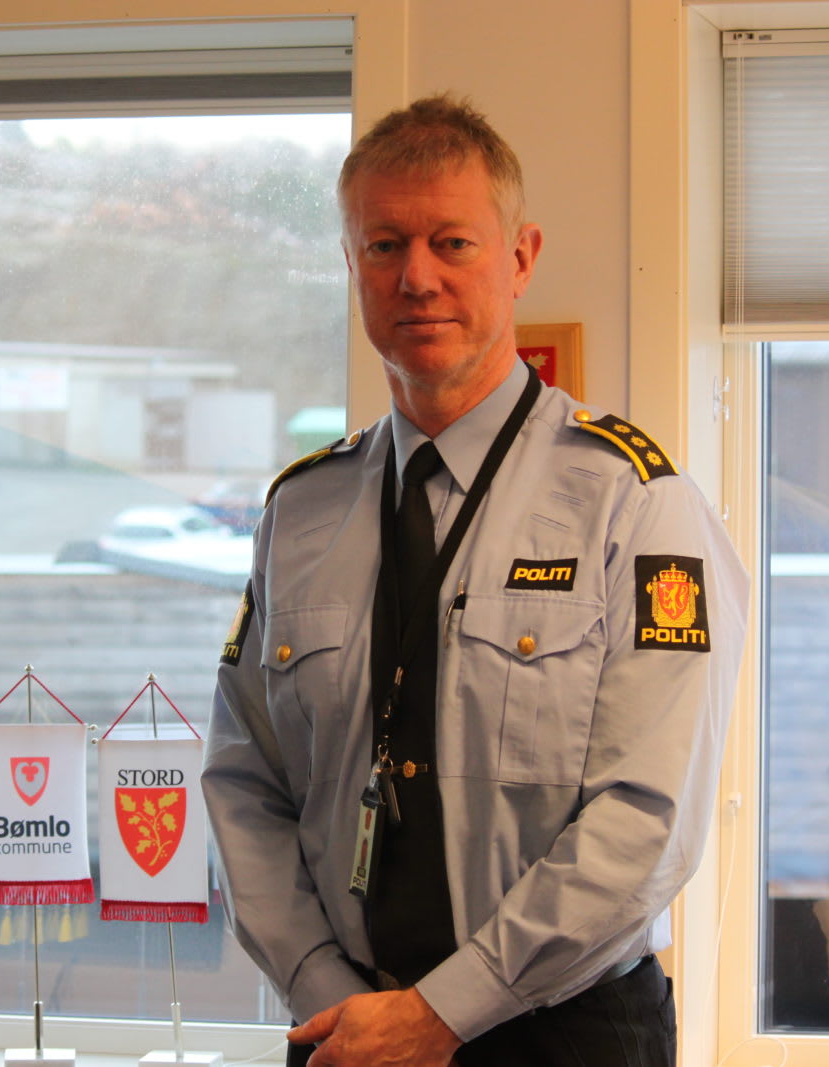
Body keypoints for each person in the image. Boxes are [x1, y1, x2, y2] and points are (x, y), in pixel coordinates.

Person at [201, 94, 746, 1067]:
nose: (417, 277)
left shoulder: (633, 502)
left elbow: (646, 816)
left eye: (452, 242)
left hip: (562, 1028)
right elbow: (246, 785)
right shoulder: (299, 512)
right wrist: (327, 990)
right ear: (352, 264)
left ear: (520, 257)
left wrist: (443, 1011)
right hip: (344, 1030)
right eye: (383, 246)